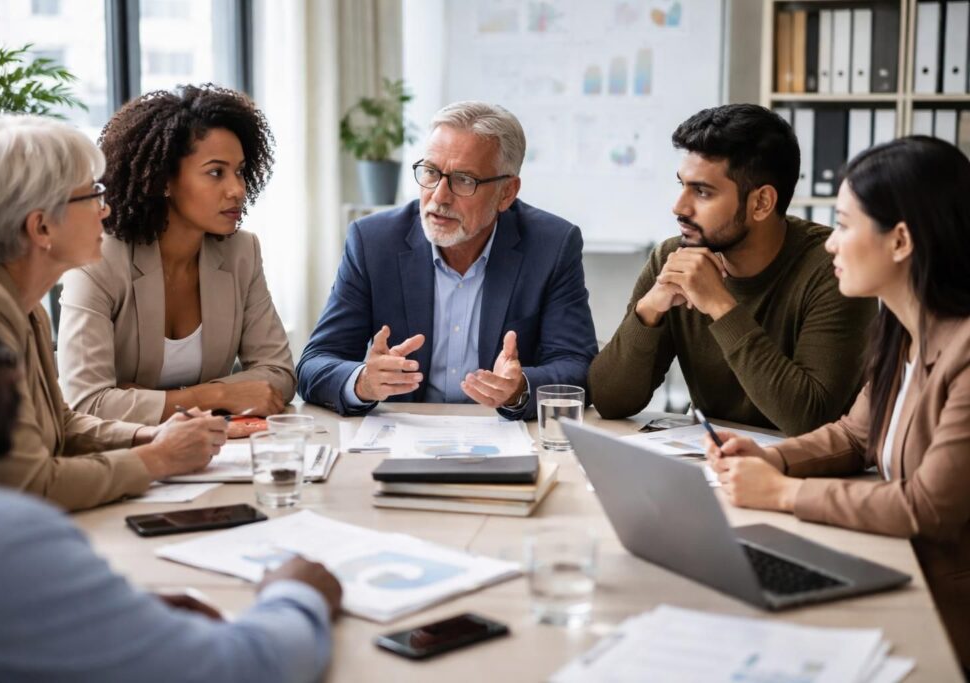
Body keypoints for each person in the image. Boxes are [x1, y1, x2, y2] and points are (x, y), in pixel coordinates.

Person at [0, 298, 343, 682]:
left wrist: (115, 617)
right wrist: (296, 593)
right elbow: (243, 668)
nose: (17, 375)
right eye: (0, 358)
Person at [704, 137, 970, 671]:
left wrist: (783, 493)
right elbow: (854, 435)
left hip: (943, 609)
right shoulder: (903, 325)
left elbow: (927, 509)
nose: (830, 244)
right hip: (892, 565)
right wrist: (772, 458)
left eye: (844, 226)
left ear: (900, 241)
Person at [0, 113, 227, 511]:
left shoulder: (18, 300)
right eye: (91, 195)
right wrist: (159, 458)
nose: (106, 210)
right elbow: (27, 486)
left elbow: (60, 424)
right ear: (41, 228)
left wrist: (148, 436)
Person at [588, 104, 877, 436]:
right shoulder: (674, 257)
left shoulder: (834, 268)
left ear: (761, 203)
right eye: (681, 185)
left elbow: (808, 418)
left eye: (702, 191)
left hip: (808, 472)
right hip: (708, 456)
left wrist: (720, 305)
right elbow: (609, 401)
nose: (679, 207)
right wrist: (649, 310)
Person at [297, 101, 597, 419]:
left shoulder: (551, 245)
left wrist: (519, 389)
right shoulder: (373, 242)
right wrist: (363, 383)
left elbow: (577, 366)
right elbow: (315, 363)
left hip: (501, 434)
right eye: (430, 172)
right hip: (403, 433)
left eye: (464, 180)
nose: (439, 196)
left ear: (507, 192)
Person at [57, 84, 295, 427]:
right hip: (123, 459)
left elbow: (279, 374)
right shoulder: (99, 260)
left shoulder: (242, 252)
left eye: (240, 171)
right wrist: (217, 396)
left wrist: (143, 399)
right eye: (216, 172)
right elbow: (86, 402)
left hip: (213, 452)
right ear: (163, 180)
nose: (237, 189)